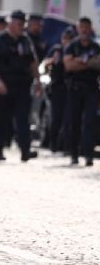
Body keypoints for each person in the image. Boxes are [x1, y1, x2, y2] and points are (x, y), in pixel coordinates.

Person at [0, 10, 39, 162]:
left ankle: (25, 150)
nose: (23, 27)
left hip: (22, 85)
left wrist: (38, 81)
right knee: (1, 119)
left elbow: (33, 62)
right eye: (20, 24)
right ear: (12, 24)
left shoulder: (25, 40)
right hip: (4, 85)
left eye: (24, 24)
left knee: (23, 119)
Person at [62, 17, 100, 166]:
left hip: (91, 88)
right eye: (81, 27)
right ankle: (74, 154)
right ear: (78, 29)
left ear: (90, 28)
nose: (84, 30)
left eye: (86, 27)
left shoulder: (95, 47)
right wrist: (89, 63)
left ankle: (88, 155)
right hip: (75, 88)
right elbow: (69, 66)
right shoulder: (72, 46)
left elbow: (98, 64)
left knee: (89, 122)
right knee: (74, 122)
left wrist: (81, 62)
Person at [45, 27, 76, 153]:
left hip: (70, 87)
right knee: (56, 118)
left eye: (69, 39)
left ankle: (66, 145)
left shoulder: (74, 51)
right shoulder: (56, 50)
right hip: (57, 87)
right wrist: (52, 62)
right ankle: (53, 144)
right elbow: (45, 64)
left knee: (68, 118)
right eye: (65, 39)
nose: (66, 42)